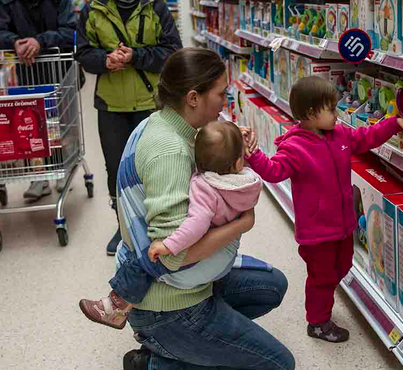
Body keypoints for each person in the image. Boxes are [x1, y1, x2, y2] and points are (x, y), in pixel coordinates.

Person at [107, 48, 293, 370]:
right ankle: (162, 357)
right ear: (193, 97)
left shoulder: (164, 122)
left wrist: (231, 143)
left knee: (271, 285)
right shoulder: (170, 153)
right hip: (169, 306)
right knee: (278, 363)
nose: (226, 100)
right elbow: (172, 255)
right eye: (221, 93)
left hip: (182, 285)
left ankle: (186, 348)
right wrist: (242, 224)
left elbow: (206, 160)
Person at [245, 75, 403, 343]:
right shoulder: (295, 147)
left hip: (344, 224)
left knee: (343, 266)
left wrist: (392, 124)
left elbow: (365, 137)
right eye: (331, 109)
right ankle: (318, 322)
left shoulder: (340, 134)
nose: (337, 114)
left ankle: (324, 298)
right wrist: (253, 155)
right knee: (321, 278)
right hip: (317, 231)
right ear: (311, 113)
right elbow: (273, 172)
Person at [78, 120, 267, 329]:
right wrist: (234, 144)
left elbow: (196, 225)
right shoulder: (246, 182)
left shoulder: (207, 188)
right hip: (222, 247)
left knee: (143, 259)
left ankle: (116, 307)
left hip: (199, 245)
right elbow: (231, 163)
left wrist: (169, 245)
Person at [75, 0, 182, 256]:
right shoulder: (93, 10)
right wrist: (105, 60)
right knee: (116, 168)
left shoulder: (155, 7)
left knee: (157, 165)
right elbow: (83, 53)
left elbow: (173, 51)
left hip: (151, 102)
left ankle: (161, 226)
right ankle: (123, 227)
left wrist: (136, 56)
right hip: (111, 104)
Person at [0, 0, 78, 201]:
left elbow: (71, 30)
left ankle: (62, 167)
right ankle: (39, 177)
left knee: (61, 122)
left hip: (60, 70)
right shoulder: (8, 2)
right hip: (28, 73)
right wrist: (14, 42)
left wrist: (40, 42)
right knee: (32, 127)